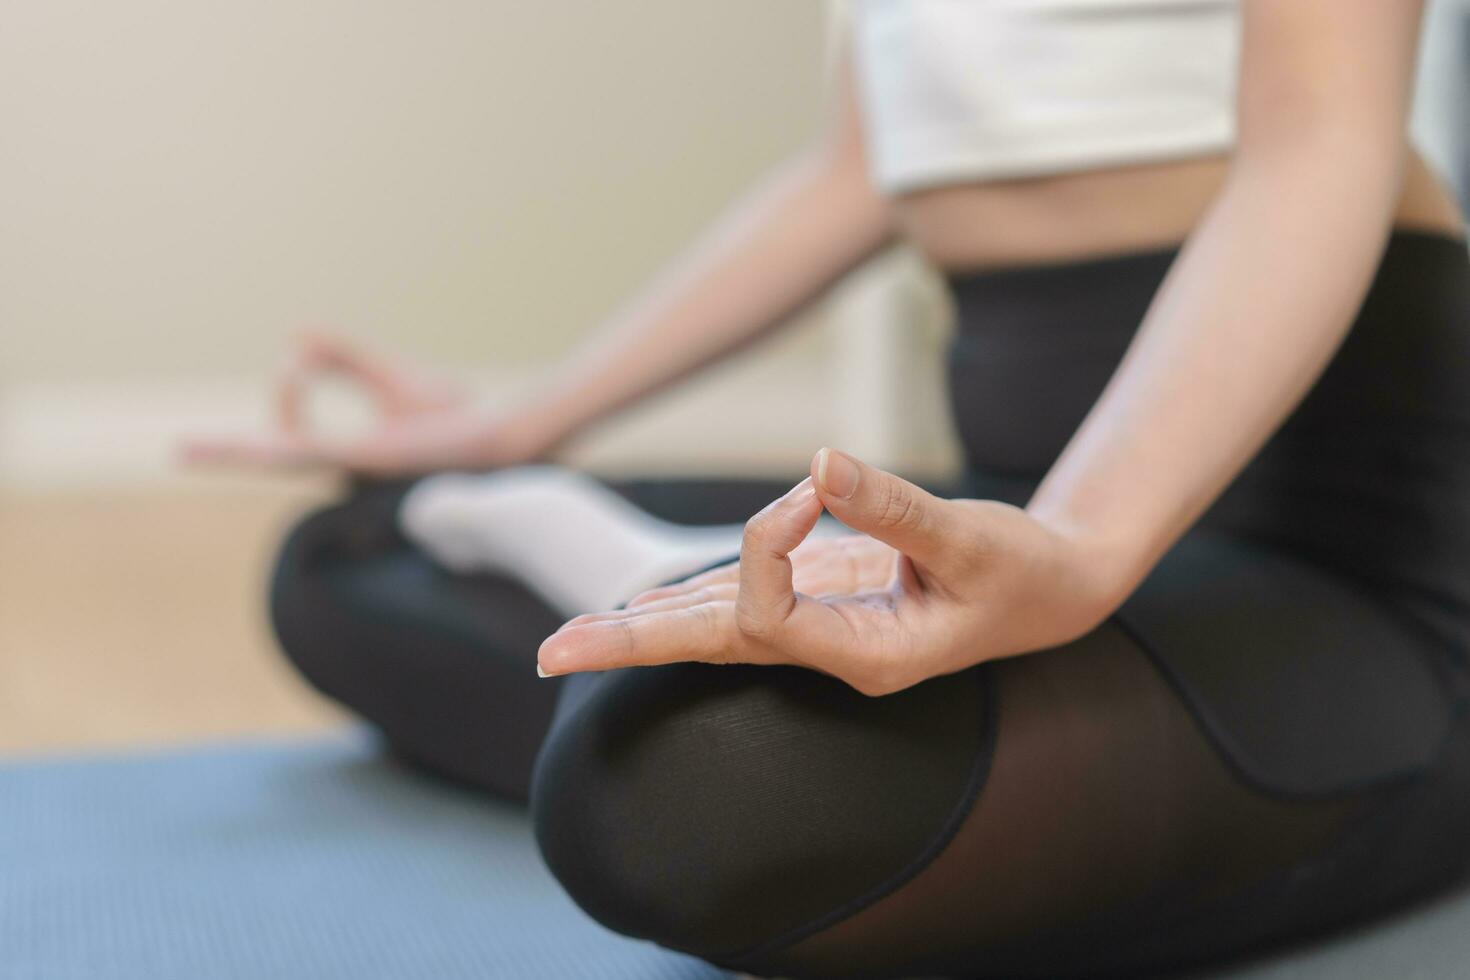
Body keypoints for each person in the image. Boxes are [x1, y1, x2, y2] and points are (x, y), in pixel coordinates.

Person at [186, 1, 1470, 977]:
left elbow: (1317, 144)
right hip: (1024, 496)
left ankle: (710, 663)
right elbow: (855, 172)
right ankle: (699, 635)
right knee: (347, 554)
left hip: (1332, 549)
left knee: (698, 794)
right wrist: (523, 420)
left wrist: (1083, 539)